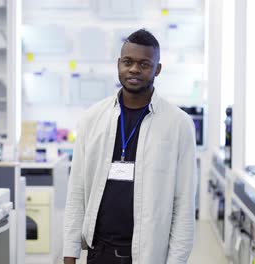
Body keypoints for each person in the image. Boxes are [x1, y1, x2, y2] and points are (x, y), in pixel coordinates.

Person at [63, 29, 197, 264]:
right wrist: (70, 252)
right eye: (128, 62)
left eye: (144, 64)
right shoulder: (91, 119)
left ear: (157, 69)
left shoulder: (178, 124)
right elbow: (77, 191)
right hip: (99, 253)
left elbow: (183, 205)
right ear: (119, 65)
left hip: (147, 255)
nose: (134, 69)